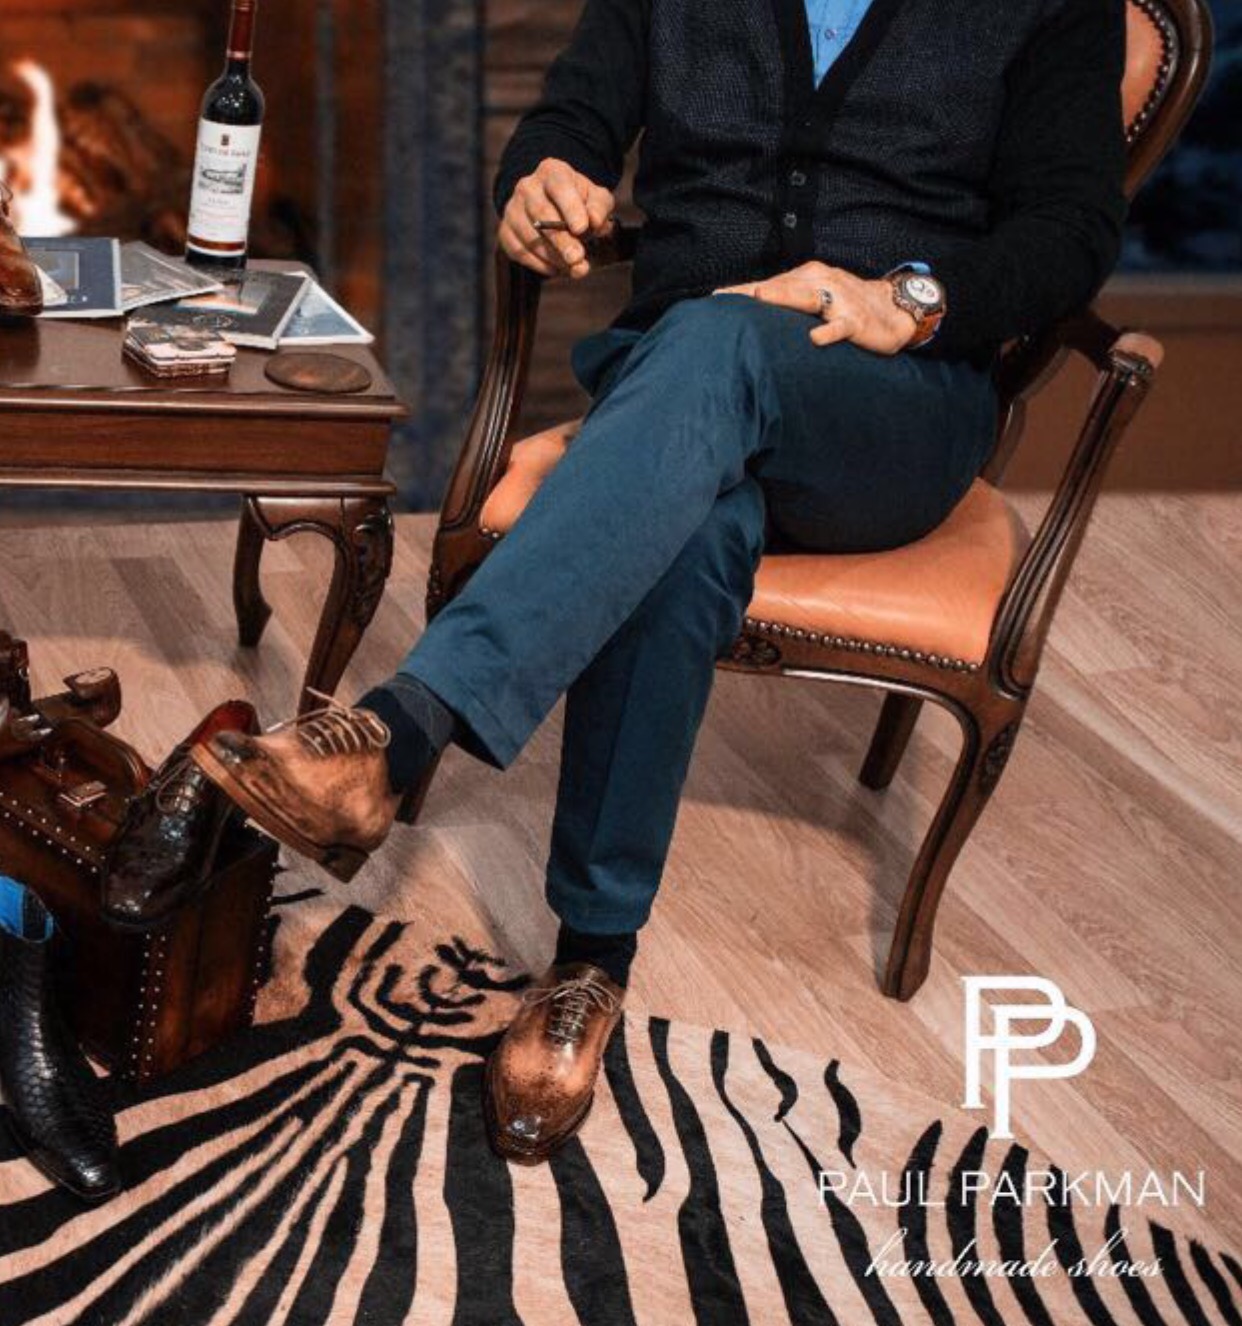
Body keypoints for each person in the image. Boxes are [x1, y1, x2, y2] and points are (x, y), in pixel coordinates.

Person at [193, 0, 1127, 1164]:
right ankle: (591, 963)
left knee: (717, 345)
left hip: (892, 411)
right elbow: (572, 117)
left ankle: (404, 729)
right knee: (690, 519)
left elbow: (1073, 227)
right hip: (678, 396)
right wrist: (544, 180)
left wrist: (912, 299)